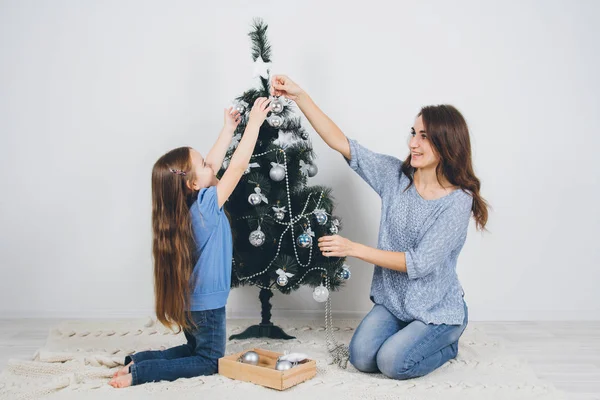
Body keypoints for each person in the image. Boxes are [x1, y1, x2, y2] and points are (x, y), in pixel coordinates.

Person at [271, 75, 488, 380]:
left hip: (435, 310)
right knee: (361, 357)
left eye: (424, 136)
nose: (413, 143)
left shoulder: (456, 202)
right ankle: (408, 335)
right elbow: (343, 144)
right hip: (395, 304)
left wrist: (353, 248)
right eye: (413, 133)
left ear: (447, 143)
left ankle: (448, 342)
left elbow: (419, 263)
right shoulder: (394, 177)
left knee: (393, 363)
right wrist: (300, 96)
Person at [109, 98, 272, 388]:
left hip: (191, 303)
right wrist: (254, 125)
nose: (211, 165)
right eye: (204, 165)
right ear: (192, 184)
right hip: (207, 305)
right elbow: (236, 167)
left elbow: (212, 164)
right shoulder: (207, 205)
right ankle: (140, 374)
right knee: (209, 360)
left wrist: (228, 129)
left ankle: (141, 360)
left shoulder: (186, 210)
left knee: (193, 350)